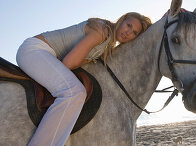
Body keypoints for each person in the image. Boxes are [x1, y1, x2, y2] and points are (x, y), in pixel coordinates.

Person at [16, 12, 152, 146]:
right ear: (121, 20)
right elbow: (68, 63)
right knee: (74, 92)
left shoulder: (108, 43)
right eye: (128, 25)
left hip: (45, 55)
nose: (128, 32)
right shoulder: (102, 31)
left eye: (134, 32)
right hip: (34, 50)